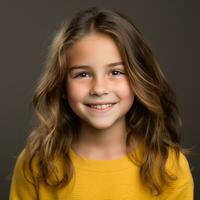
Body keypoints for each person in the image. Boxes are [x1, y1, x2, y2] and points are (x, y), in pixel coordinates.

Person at [9, 7, 194, 200]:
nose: (99, 89)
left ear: (138, 79)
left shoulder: (169, 167)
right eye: (83, 74)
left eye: (115, 72)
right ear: (62, 85)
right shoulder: (37, 162)